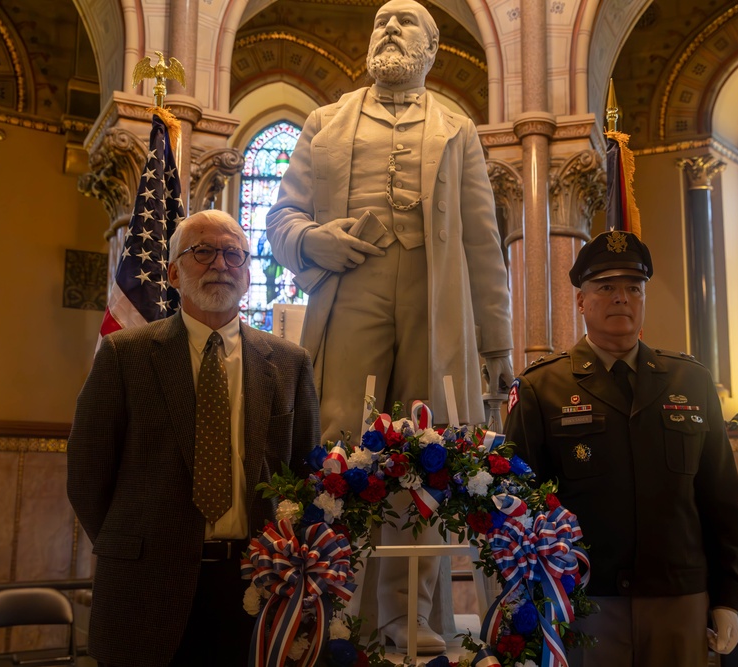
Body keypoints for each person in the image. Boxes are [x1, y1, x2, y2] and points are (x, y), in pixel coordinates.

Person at [265, 0, 513, 653]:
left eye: (406, 22)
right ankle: (329, 616)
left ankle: (410, 623)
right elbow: (280, 222)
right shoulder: (325, 123)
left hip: (437, 302)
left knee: (427, 458)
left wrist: (497, 339)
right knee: (344, 447)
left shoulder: (459, 130)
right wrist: (317, 241)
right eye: (382, 21)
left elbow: (484, 244)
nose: (390, 28)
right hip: (353, 296)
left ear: (432, 49)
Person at [67, 210, 320, 667]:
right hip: (146, 586)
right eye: (202, 251)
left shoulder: (289, 363)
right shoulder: (127, 356)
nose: (220, 264)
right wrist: (134, 546)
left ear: (248, 271)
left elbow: (304, 471)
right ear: (172, 273)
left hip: (256, 583)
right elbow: (87, 474)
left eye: (233, 254)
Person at [504, 230, 738, 667]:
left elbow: (721, 500)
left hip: (679, 596)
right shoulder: (542, 388)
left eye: (633, 288)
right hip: (584, 601)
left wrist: (727, 598)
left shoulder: (690, 381)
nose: (622, 298)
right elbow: (521, 504)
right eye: (606, 287)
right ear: (581, 301)